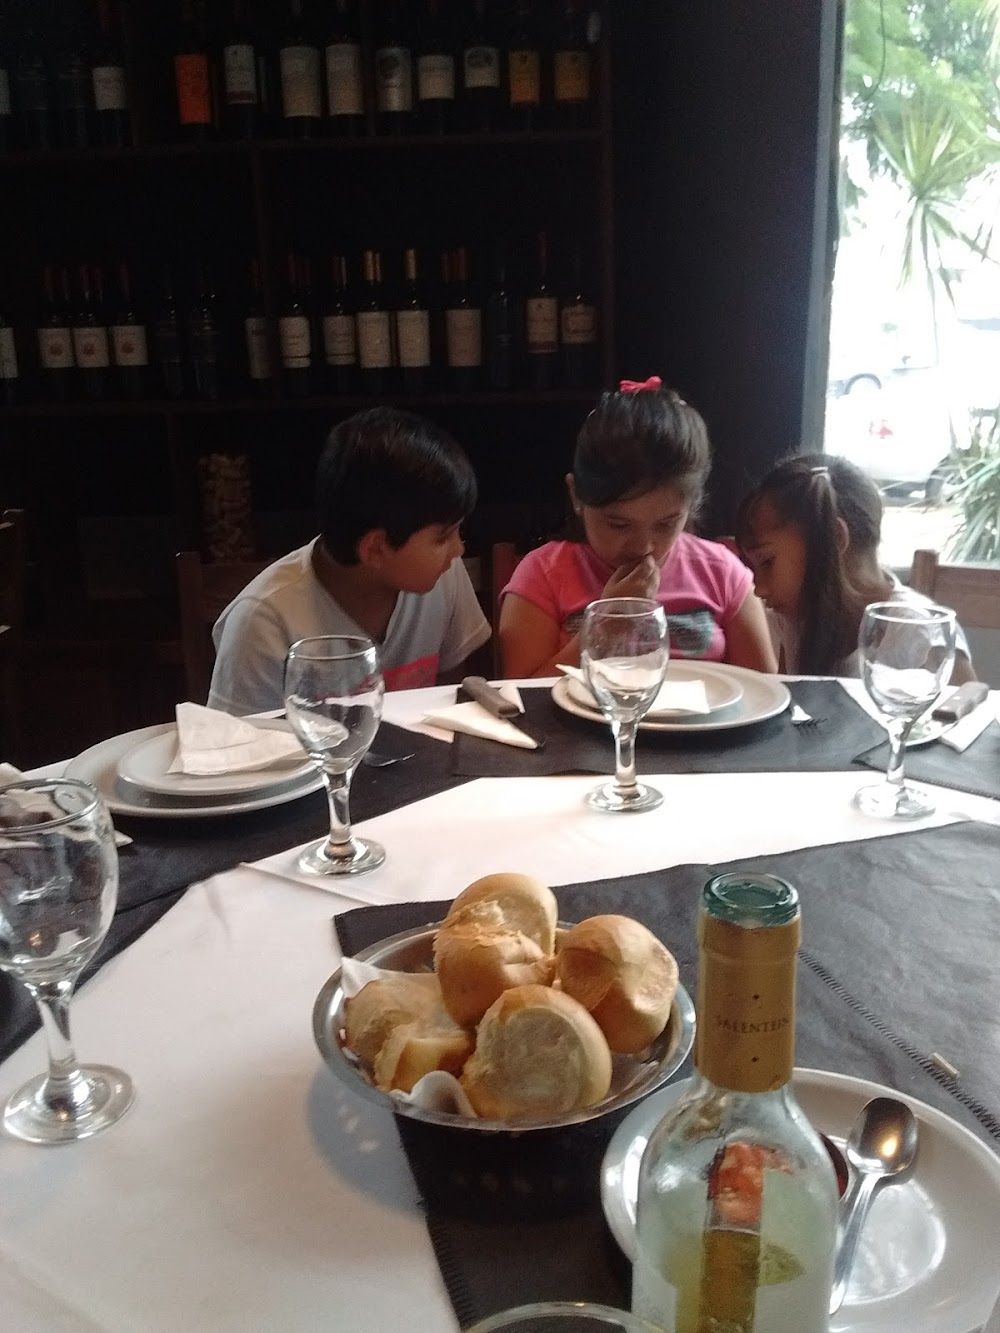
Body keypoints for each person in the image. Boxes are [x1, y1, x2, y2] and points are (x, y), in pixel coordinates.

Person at [208, 407, 491, 715]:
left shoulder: (442, 576)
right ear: (376, 549)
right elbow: (238, 740)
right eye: (443, 537)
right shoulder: (263, 622)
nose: (458, 549)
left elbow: (452, 696)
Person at [498, 377, 776, 679]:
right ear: (577, 497)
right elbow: (520, 698)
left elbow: (764, 690)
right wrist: (607, 625)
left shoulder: (721, 573)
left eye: (666, 524)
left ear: (691, 505)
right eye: (618, 524)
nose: (643, 546)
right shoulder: (544, 575)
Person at [735, 452, 975, 681]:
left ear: (833, 538)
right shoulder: (793, 620)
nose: (759, 589)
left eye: (767, 562)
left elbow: (969, 709)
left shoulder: (921, 635)